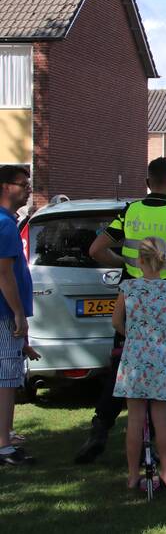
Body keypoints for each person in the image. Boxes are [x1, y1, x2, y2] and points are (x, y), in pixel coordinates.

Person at [74, 157, 166, 464]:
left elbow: (96, 249)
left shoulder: (130, 211)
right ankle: (155, 432)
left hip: (133, 296)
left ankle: (100, 427)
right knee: (162, 360)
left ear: (147, 182)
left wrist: (125, 263)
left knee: (122, 362)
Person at [113, 237, 166, 490]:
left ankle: (132, 475)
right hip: (160, 357)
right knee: (161, 419)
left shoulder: (128, 288)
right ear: (163, 262)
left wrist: (131, 335)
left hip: (135, 358)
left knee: (134, 419)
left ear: (140, 260)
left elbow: (116, 321)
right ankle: (165, 472)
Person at [0, 166, 41, 466]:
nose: (28, 188)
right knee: (6, 377)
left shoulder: (7, 223)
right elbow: (4, 274)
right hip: (4, 313)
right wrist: (18, 314)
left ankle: (5, 433)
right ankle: (4, 446)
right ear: (5, 187)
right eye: (23, 184)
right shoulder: (4, 226)